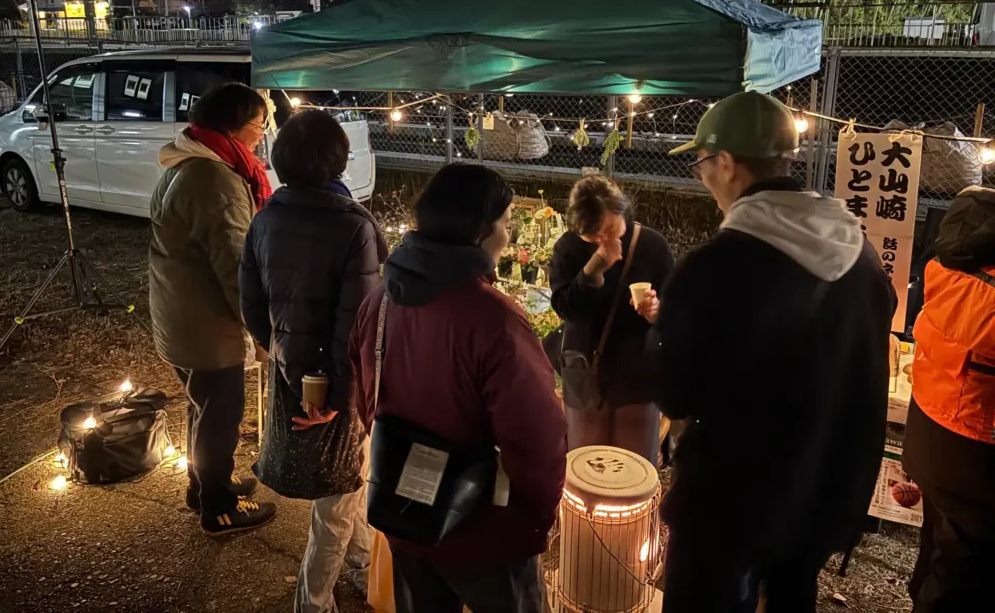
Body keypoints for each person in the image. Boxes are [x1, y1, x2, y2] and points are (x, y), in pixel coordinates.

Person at [648, 90, 895, 612]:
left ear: (729, 165)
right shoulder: (860, 255)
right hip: (823, 491)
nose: (701, 176)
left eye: (702, 163)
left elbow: (675, 393)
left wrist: (659, 329)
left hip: (729, 503)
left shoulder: (713, 268)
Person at [348, 164, 567, 613]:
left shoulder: (380, 301)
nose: (507, 233)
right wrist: (536, 522)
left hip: (403, 510)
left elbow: (365, 397)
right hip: (482, 527)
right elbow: (536, 437)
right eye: (506, 222)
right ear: (482, 229)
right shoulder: (495, 319)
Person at [240, 110, 388, 613]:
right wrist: (344, 398)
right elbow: (361, 325)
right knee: (338, 497)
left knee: (347, 487)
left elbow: (252, 305)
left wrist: (283, 351)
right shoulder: (354, 226)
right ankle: (314, 601)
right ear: (339, 162)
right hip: (338, 386)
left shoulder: (266, 218)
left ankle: (365, 563)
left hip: (292, 375)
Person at [149, 82, 276, 536]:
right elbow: (235, 264)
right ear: (230, 127)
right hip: (204, 326)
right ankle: (218, 508)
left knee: (202, 408)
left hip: (180, 317)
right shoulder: (215, 178)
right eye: (257, 125)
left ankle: (203, 484)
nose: (262, 133)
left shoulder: (188, 164)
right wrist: (263, 328)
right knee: (220, 414)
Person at [903, 185, 995, 613]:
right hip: (975, 446)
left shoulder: (949, 269)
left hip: (928, 428)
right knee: (964, 570)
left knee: (939, 543)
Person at [548, 176, 674, 464]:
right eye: (593, 236)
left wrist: (656, 312)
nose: (604, 240)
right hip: (585, 375)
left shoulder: (652, 246)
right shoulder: (568, 247)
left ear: (622, 211)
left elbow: (675, 311)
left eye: (609, 229)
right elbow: (566, 309)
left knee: (633, 465)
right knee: (586, 465)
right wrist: (595, 267)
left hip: (637, 378)